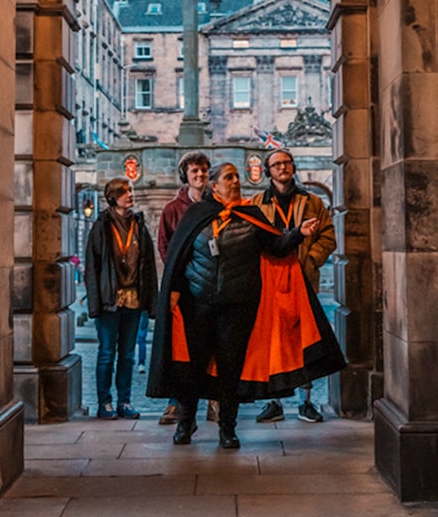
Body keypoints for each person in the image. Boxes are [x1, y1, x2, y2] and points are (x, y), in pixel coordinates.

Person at [147, 163, 345, 449]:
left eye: (237, 177)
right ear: (214, 186)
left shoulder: (252, 216)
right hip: (197, 304)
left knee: (231, 369)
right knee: (191, 366)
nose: (236, 181)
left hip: (238, 305)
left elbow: (277, 246)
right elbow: (179, 256)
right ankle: (185, 423)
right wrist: (174, 292)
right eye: (229, 178)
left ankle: (228, 428)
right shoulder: (197, 216)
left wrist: (299, 233)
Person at [250, 149, 337, 424]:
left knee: (305, 341)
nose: (283, 168)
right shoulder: (256, 203)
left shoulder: (312, 201)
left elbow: (328, 236)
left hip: (302, 279)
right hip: (270, 282)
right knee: (273, 342)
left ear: (293, 166)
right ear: (268, 171)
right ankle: (274, 402)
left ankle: (305, 402)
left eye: (287, 162)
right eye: (276, 164)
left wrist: (311, 261)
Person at [84, 177, 158, 420]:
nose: (130, 195)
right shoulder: (101, 226)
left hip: (134, 299)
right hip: (109, 301)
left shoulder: (139, 224)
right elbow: (92, 267)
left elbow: (149, 266)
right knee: (107, 353)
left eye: (131, 191)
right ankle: (104, 402)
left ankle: (124, 401)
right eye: (125, 192)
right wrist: (94, 303)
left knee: (127, 355)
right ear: (113, 198)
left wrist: (151, 301)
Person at [155, 151, 211, 425]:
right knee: (179, 346)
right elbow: (165, 247)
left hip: (211, 289)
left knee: (212, 346)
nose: (200, 175)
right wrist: (181, 273)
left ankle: (215, 402)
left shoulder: (217, 205)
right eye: (194, 171)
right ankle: (175, 402)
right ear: (185, 176)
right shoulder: (172, 209)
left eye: (203, 170)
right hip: (182, 288)